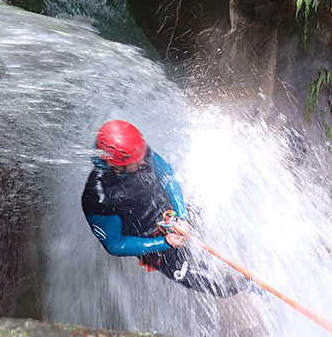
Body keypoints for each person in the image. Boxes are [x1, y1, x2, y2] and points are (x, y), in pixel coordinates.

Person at [81, 119, 252, 297]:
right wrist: (165, 242)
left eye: (143, 155)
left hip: (174, 215)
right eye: (136, 161)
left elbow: (168, 176)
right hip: (157, 244)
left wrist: (182, 216)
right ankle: (250, 286)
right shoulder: (98, 197)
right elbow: (115, 244)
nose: (143, 162)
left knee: (215, 213)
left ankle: (252, 253)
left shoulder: (139, 152)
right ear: (115, 164)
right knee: (220, 286)